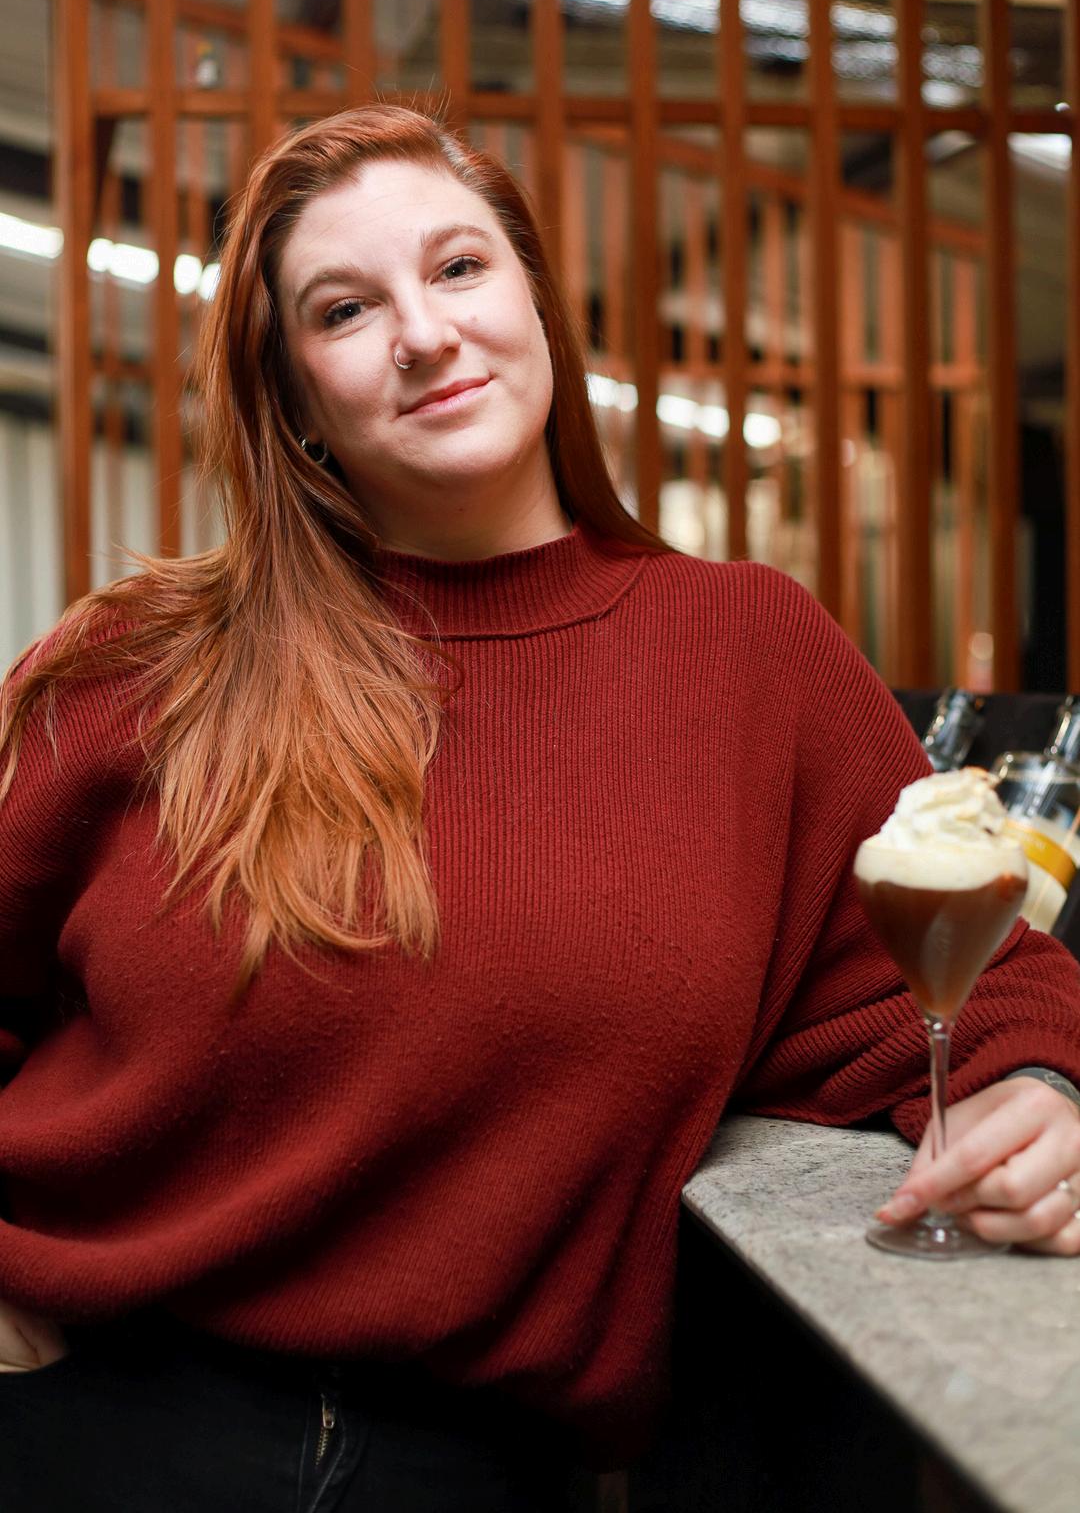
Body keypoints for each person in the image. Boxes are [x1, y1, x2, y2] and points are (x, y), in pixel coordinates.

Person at [1, 104, 1078, 1513]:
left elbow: (962, 968)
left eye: (459, 267)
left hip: (479, 1468)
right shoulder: (138, 667)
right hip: (88, 1415)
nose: (423, 333)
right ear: (297, 400)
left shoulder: (745, 649)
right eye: (344, 309)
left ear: (537, 308)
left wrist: (1043, 1091)